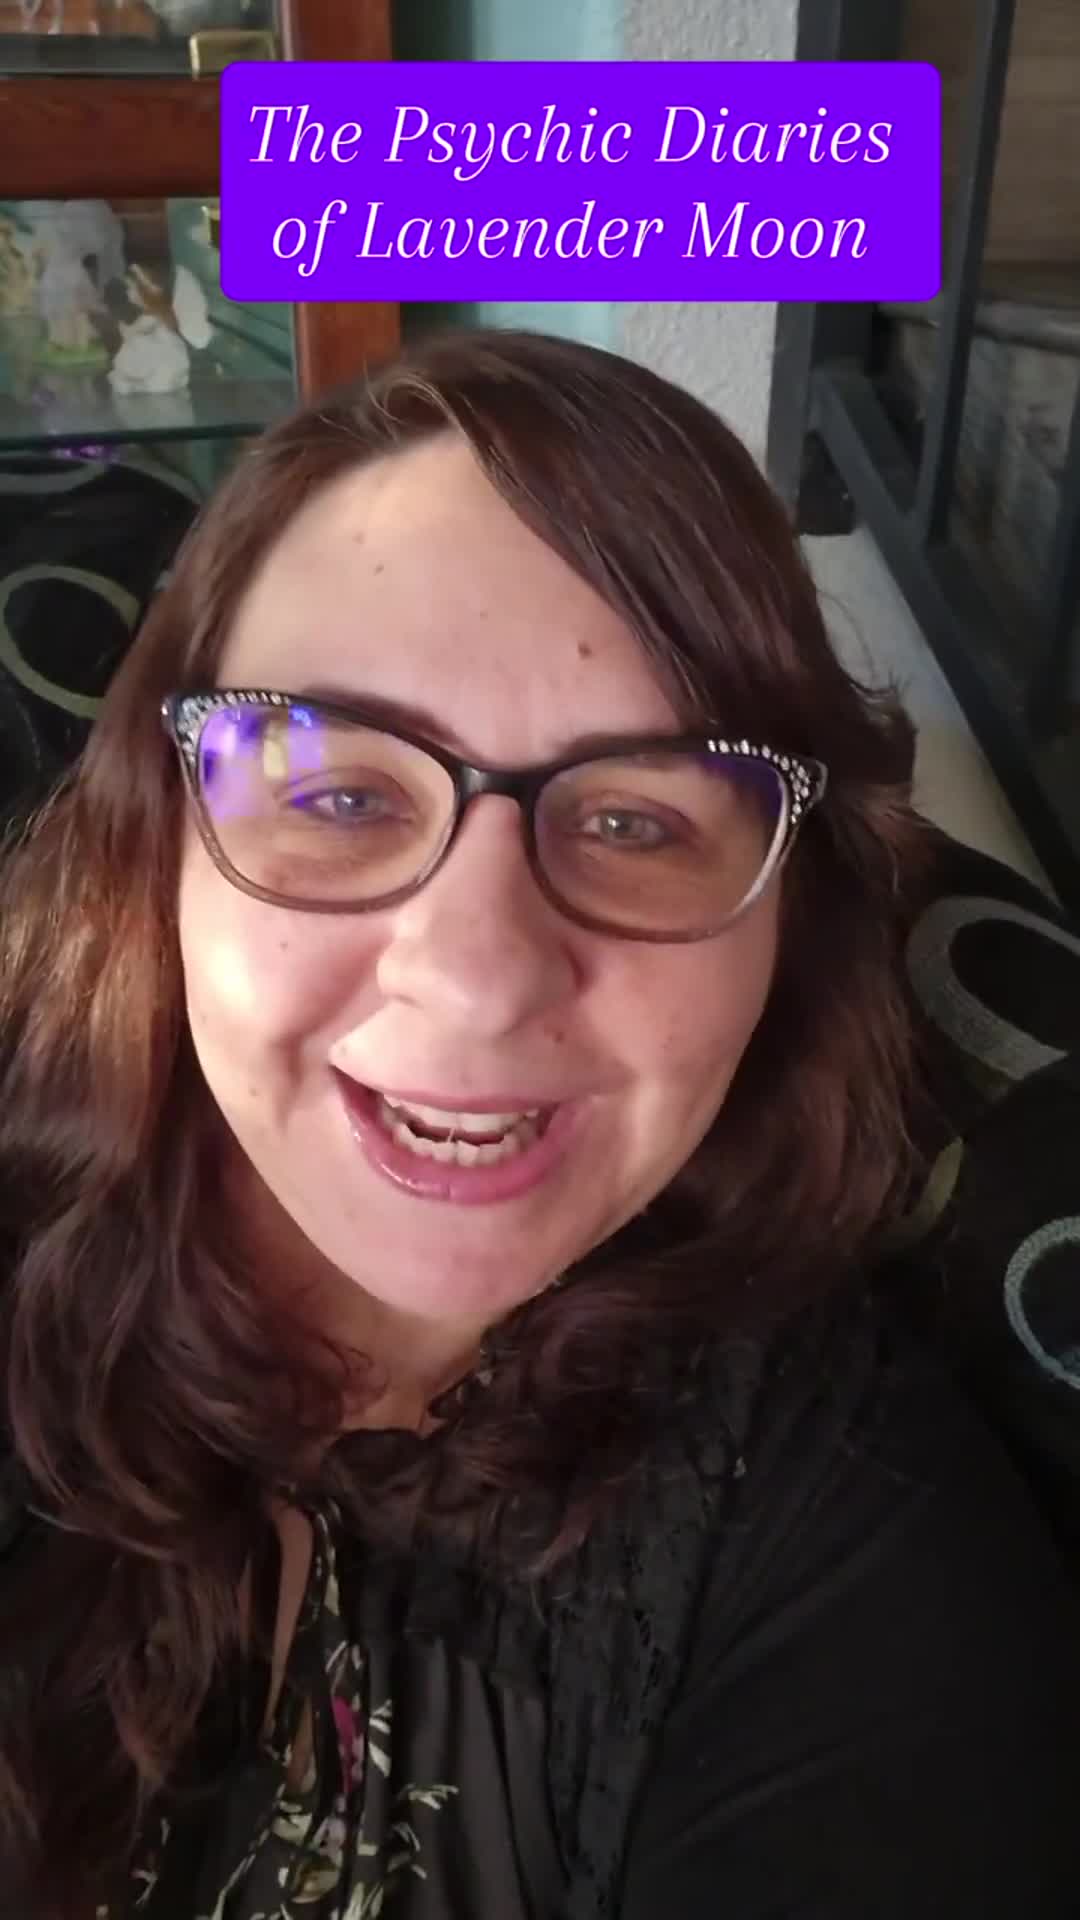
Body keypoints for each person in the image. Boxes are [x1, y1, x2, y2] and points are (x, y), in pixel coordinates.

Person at [0, 328, 1076, 1920]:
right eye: (343, 795)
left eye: (634, 820)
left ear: (790, 923)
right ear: (157, 837)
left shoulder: (861, 1573)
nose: (483, 972)